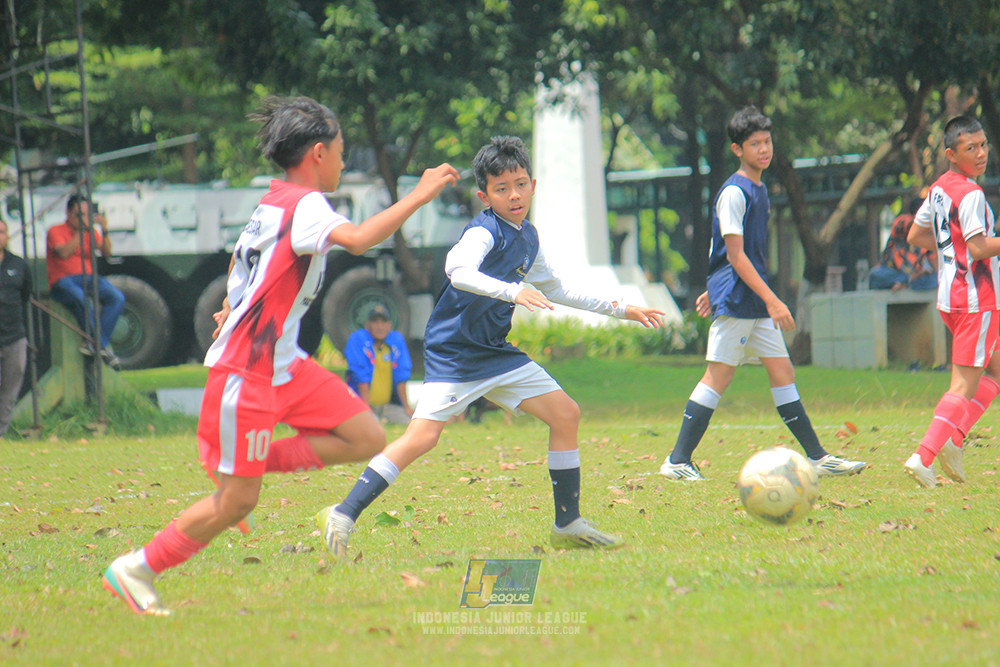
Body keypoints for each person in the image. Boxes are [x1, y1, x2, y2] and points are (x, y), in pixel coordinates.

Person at [101, 95, 459, 616]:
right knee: (238, 505)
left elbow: (240, 266)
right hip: (248, 372)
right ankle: (137, 567)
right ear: (318, 152)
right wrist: (419, 194)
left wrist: (230, 304)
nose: (342, 161)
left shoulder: (274, 200)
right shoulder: (307, 204)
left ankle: (242, 463)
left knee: (367, 436)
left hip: (286, 365)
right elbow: (357, 240)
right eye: (341, 152)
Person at [315, 135, 665, 559]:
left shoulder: (528, 237)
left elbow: (558, 289)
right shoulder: (484, 230)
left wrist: (620, 308)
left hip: (496, 352)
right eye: (501, 188)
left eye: (520, 184)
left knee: (565, 414)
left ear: (533, 184)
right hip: (457, 352)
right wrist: (512, 292)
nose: (513, 195)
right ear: (485, 195)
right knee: (422, 438)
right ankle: (343, 512)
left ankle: (567, 523)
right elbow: (457, 270)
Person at [659, 106, 866, 481]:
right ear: (738, 149)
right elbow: (733, 255)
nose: (764, 149)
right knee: (717, 377)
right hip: (742, 301)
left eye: (767, 142)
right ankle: (676, 460)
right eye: (755, 144)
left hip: (750, 299)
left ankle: (818, 457)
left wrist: (714, 288)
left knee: (782, 370)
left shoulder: (759, 188)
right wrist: (767, 298)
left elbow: (728, 253)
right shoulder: (735, 193)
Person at [903, 116, 1000, 488]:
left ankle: (954, 441)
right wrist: (964, 249)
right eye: (970, 148)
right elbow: (977, 247)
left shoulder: (940, 188)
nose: (980, 154)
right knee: (963, 385)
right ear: (950, 153)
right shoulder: (972, 194)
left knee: (995, 371)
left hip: (950, 297)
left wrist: (951, 249)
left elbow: (916, 234)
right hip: (977, 300)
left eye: (984, 145)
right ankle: (924, 456)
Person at [46, 194, 125, 368]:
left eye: (86, 214)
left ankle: (95, 344)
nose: (84, 219)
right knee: (80, 298)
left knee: (117, 297)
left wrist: (104, 230)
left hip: (88, 278)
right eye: (79, 215)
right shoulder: (56, 231)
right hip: (63, 280)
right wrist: (82, 231)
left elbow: (106, 253)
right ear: (68, 214)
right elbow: (64, 253)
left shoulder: (92, 232)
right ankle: (101, 345)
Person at [344, 304, 413, 425]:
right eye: (375, 322)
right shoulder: (358, 340)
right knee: (369, 424)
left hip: (387, 407)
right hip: (361, 406)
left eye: (383, 322)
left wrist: (406, 408)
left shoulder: (394, 342)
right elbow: (360, 376)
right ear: (367, 325)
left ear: (390, 326)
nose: (379, 326)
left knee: (408, 422)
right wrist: (366, 411)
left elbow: (401, 375)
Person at [0, 219, 31, 438]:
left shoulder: (18, 264)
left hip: (14, 335)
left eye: (2, 232)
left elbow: (25, 295)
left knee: (10, 389)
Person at [868, 197, 937, 291]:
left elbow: (935, 262)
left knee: (934, 279)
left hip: (915, 275)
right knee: (875, 274)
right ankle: (906, 282)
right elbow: (910, 224)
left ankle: (905, 284)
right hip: (892, 272)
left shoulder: (928, 235)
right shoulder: (902, 221)